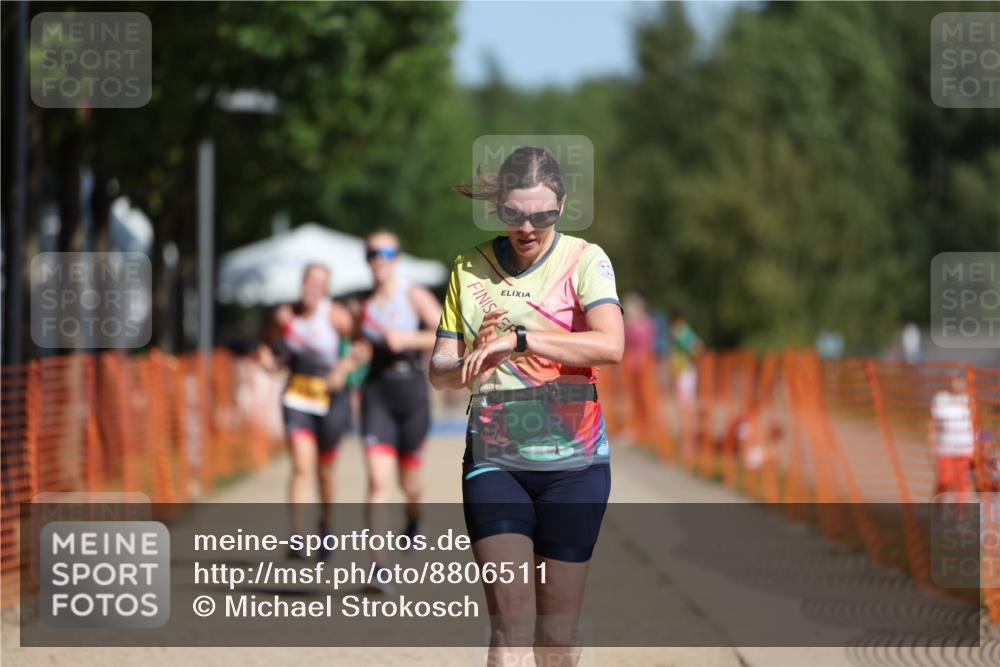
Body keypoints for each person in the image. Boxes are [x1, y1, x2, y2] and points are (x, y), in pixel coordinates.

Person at [429, 146, 624, 666]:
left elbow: (611, 345)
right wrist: (472, 360)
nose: (528, 227)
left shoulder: (586, 261)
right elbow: (439, 372)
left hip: (574, 466)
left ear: (562, 204)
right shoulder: (469, 268)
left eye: (543, 215)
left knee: (556, 639)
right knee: (510, 627)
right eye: (515, 214)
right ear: (499, 207)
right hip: (496, 460)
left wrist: (521, 339)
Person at [259, 263, 369, 560]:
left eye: (319, 284)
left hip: (331, 397)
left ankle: (326, 524)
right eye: (308, 282)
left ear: (326, 290)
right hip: (297, 394)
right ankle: (296, 537)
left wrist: (344, 367)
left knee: (325, 471)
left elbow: (363, 347)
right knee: (301, 465)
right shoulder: (285, 315)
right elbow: (266, 346)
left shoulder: (336, 316)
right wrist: (268, 360)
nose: (312, 289)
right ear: (301, 284)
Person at [357, 230, 442, 585]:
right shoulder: (362, 305)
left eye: (386, 252)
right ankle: (379, 566)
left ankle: (414, 515)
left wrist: (407, 339)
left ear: (397, 258)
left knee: (410, 483)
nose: (379, 259)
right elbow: (353, 345)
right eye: (372, 253)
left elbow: (449, 332)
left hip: (411, 395)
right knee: (378, 480)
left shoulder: (413, 294)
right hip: (376, 394)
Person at [929, 374, 976, 498]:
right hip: (946, 447)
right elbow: (934, 424)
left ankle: (960, 514)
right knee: (944, 480)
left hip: (966, 448)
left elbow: (975, 424)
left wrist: (978, 448)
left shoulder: (970, 400)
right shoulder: (940, 399)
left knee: (963, 484)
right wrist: (932, 445)